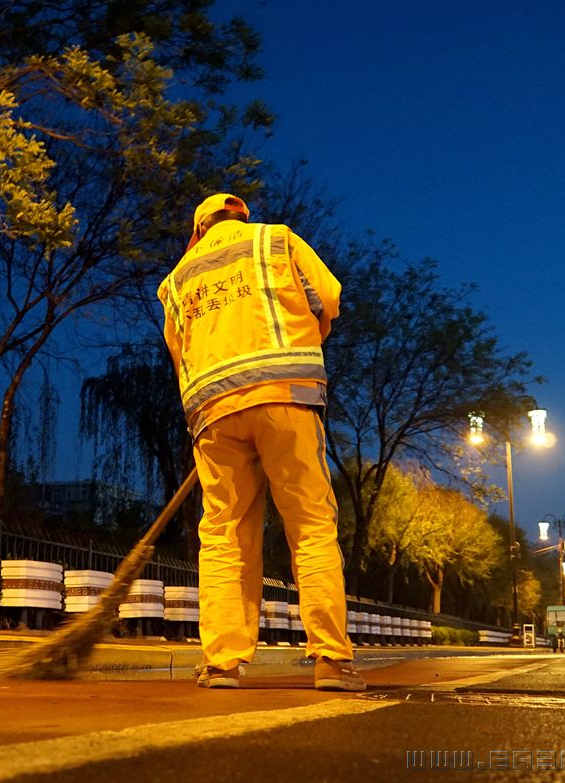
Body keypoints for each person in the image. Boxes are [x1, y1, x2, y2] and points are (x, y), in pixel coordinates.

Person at [157, 193, 365, 692]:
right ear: (240, 218)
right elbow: (328, 299)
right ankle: (331, 662)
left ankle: (224, 664)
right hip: (286, 398)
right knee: (312, 525)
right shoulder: (277, 240)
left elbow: (178, 349)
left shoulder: (177, 280)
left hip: (213, 416)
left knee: (224, 534)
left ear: (198, 230)